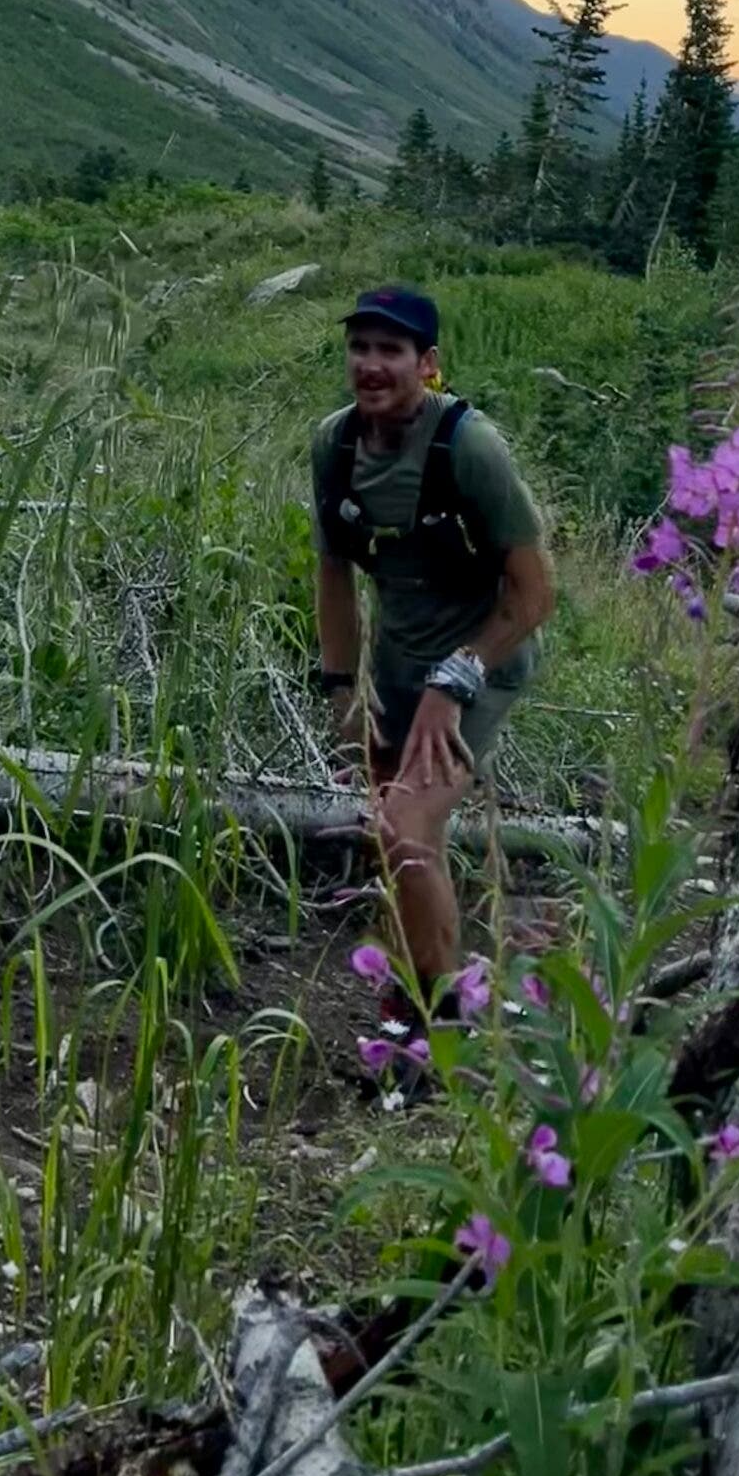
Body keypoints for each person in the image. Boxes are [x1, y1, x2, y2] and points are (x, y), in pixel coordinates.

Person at [311, 284, 555, 1028]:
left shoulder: (468, 447)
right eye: (360, 348)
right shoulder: (336, 444)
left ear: (429, 362)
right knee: (400, 841)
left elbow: (536, 593)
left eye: (391, 350)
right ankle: (412, 996)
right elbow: (335, 577)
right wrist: (342, 689)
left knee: (404, 830)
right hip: (396, 671)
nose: (372, 366)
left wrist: (458, 677)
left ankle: (439, 1018)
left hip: (484, 664)